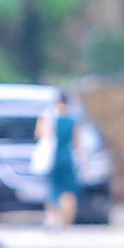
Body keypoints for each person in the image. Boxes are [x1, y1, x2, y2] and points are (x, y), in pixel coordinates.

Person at [35, 94, 81, 227]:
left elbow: (39, 134)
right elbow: (77, 143)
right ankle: (67, 219)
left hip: (54, 157)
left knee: (53, 188)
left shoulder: (50, 119)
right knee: (68, 190)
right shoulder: (73, 121)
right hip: (68, 156)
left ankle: (52, 217)